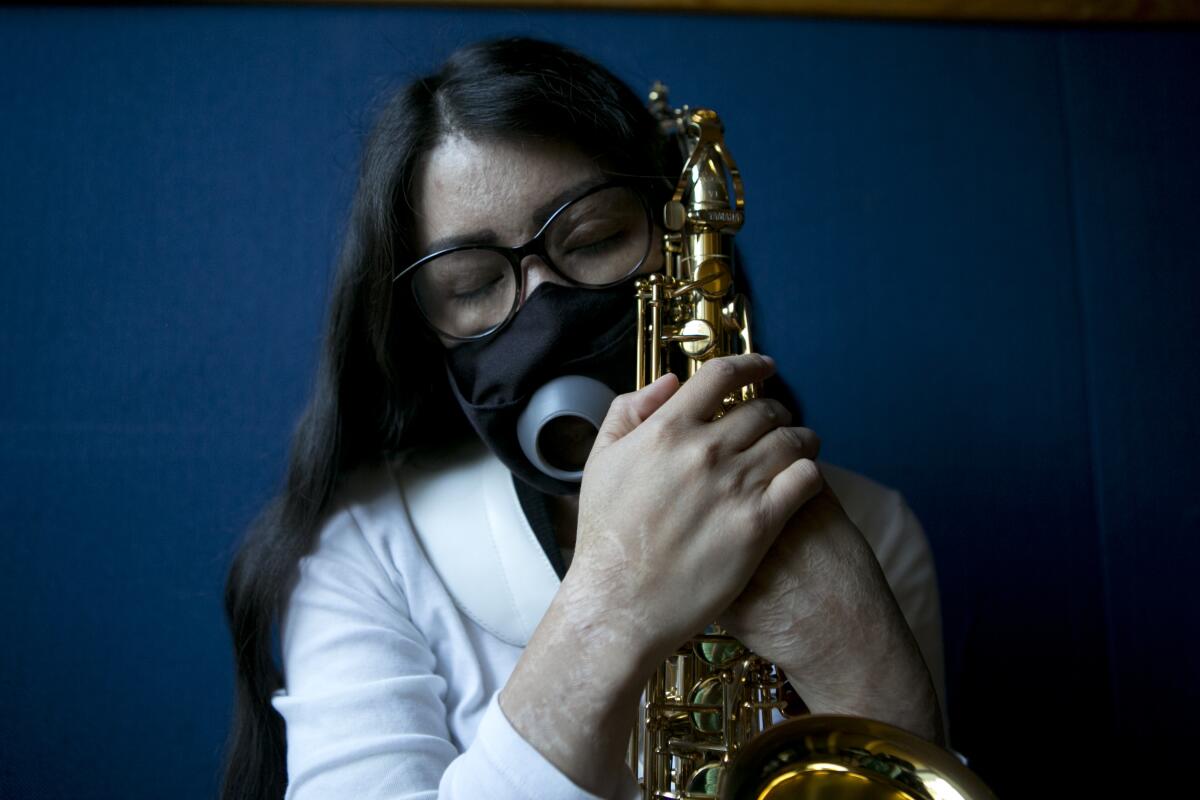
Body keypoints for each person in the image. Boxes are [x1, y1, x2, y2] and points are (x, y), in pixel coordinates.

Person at [221, 37, 946, 800]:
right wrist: (614, 603)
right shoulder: (369, 549)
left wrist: (857, 660)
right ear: (419, 327)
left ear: (680, 243)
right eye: (471, 285)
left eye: (596, 239)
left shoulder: (873, 526)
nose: (544, 315)